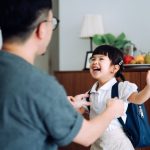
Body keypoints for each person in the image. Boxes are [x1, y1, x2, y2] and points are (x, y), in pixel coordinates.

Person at [0, 1, 125, 150]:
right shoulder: (41, 85)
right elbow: (87, 136)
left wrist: (65, 107)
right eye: (52, 22)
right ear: (41, 29)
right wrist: (112, 109)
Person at [76, 45, 150, 150]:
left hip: (119, 146)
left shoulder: (121, 88)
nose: (95, 62)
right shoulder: (90, 93)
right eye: (93, 59)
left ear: (114, 68)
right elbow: (77, 111)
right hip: (97, 146)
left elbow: (139, 99)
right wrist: (73, 104)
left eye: (101, 59)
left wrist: (149, 87)